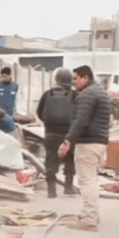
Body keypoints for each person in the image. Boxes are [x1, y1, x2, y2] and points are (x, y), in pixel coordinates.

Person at [58, 65, 111, 232]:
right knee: (92, 179)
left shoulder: (86, 95)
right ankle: (92, 215)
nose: (73, 83)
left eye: (75, 78)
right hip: (99, 141)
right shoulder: (100, 91)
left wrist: (67, 141)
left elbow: (80, 121)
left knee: (86, 181)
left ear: (85, 78)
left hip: (89, 142)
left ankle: (89, 219)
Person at [36, 68, 78, 198]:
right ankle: (68, 187)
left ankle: (51, 190)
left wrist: (49, 124)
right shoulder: (74, 95)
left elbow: (39, 112)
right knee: (70, 159)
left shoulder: (47, 94)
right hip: (68, 134)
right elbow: (79, 115)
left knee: (50, 160)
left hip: (50, 133)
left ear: (56, 79)